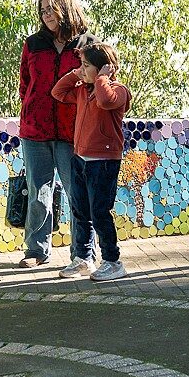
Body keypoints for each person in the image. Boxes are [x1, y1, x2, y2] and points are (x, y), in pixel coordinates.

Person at [16, 0, 91, 268]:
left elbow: (99, 81)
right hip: (36, 129)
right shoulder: (33, 44)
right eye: (43, 10)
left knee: (77, 193)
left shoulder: (87, 43)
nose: (46, 14)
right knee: (38, 192)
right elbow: (25, 85)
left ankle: (82, 253)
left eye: (51, 8)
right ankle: (36, 250)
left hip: (74, 132)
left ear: (65, 8)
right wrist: (32, 109)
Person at [50, 41, 131, 282]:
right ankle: (84, 257)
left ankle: (112, 261)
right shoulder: (82, 90)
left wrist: (103, 79)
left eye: (86, 65)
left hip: (103, 161)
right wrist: (75, 74)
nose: (82, 69)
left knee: (99, 212)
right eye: (81, 65)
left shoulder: (119, 90)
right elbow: (58, 92)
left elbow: (106, 101)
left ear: (105, 68)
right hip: (80, 158)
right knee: (80, 210)